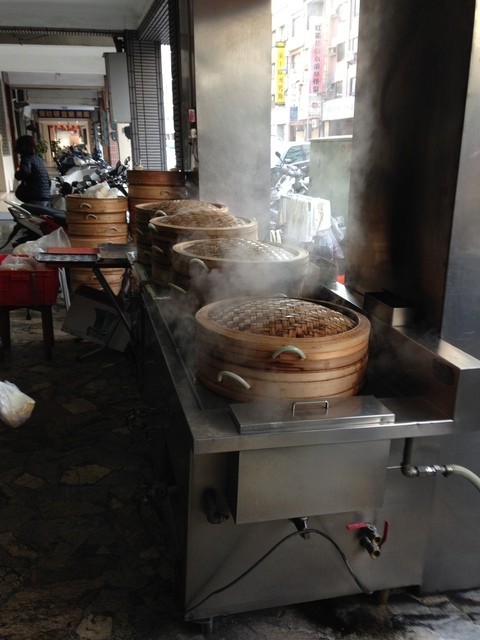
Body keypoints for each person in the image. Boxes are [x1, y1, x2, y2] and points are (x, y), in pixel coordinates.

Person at [14, 135, 52, 206]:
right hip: (45, 196)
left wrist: (17, 173)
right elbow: (48, 179)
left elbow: (25, 172)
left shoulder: (26, 159)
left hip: (35, 197)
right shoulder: (38, 159)